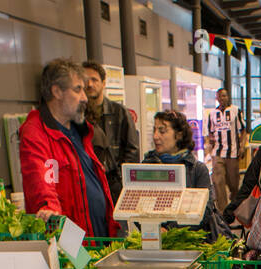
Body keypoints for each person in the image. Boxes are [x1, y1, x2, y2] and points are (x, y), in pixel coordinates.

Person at [19, 58, 116, 237]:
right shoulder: (37, 133)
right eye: (78, 89)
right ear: (57, 91)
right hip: (71, 243)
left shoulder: (81, 130)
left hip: (99, 236)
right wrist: (49, 207)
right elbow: (41, 179)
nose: (85, 98)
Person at [141, 110, 217, 235]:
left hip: (190, 243)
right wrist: (154, 229)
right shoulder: (147, 166)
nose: (155, 136)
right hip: (153, 240)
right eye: (154, 130)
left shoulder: (197, 170)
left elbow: (205, 210)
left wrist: (170, 230)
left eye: (162, 131)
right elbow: (138, 207)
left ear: (179, 135)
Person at [80, 60, 141, 203]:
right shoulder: (76, 114)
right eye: (85, 80)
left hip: (114, 186)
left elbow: (132, 151)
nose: (89, 84)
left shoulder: (120, 112)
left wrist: (120, 180)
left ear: (103, 83)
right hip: (87, 185)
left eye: (94, 80)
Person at [205, 87, 248, 213]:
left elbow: (243, 130)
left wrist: (242, 146)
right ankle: (223, 211)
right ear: (217, 98)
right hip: (217, 153)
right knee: (218, 181)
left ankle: (234, 204)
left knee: (233, 183)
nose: (222, 98)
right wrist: (210, 145)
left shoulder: (235, 111)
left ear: (228, 97)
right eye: (220, 96)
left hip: (232, 153)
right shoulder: (212, 114)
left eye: (224, 95)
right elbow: (210, 133)